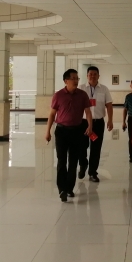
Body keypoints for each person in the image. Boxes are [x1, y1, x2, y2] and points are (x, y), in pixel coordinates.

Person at [45, 69, 93, 203]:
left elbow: (88, 112)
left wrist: (90, 126)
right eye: (73, 78)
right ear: (66, 81)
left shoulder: (82, 95)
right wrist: (47, 131)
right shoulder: (58, 95)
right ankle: (62, 189)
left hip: (77, 131)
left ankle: (69, 188)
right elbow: (52, 114)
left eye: (77, 78)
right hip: (61, 131)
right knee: (61, 161)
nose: (76, 81)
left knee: (73, 161)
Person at [78, 66, 113, 183]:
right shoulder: (81, 88)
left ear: (98, 76)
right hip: (83, 123)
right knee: (81, 146)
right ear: (87, 75)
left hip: (97, 123)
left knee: (96, 148)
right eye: (90, 74)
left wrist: (110, 120)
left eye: (95, 74)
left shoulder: (104, 89)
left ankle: (93, 172)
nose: (92, 76)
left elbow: (109, 105)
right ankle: (83, 165)